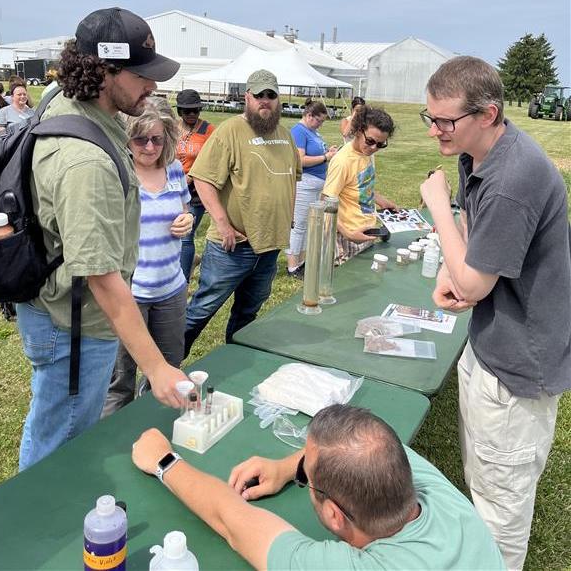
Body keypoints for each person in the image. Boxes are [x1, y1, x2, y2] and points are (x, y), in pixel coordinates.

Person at [16, 7, 187, 471]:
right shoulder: (85, 162)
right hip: (72, 324)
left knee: (56, 423)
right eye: (141, 74)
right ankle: (46, 528)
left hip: (61, 312)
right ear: (104, 69)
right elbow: (102, 279)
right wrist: (155, 367)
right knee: (63, 440)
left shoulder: (69, 104)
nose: (152, 86)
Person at [419, 56, 571, 570]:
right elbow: (473, 247)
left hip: (517, 366)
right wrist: (451, 274)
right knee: (483, 482)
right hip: (492, 346)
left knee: (499, 515)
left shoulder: (512, 178)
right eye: (430, 118)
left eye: (445, 121)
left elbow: (475, 281)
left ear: (487, 113)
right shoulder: (478, 153)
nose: (436, 130)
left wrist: (435, 204)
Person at [132, 404, 506, 570]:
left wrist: (164, 461)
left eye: (308, 475)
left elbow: (232, 519)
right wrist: (286, 467)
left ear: (333, 514)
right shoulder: (437, 493)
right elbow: (361, 443)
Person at [183, 70, 301, 357]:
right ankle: (162, 374)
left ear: (278, 99)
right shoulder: (229, 131)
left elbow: (291, 178)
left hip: (270, 246)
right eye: (258, 95)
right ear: (247, 97)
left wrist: (289, 214)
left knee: (248, 314)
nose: (265, 101)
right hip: (232, 248)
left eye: (271, 95)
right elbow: (203, 179)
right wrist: (223, 225)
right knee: (200, 311)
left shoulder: (285, 136)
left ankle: (233, 365)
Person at [101, 97, 193, 417]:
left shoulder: (175, 171)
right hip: (130, 295)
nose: (150, 147)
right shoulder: (118, 174)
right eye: (141, 139)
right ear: (127, 137)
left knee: (168, 370)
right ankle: (111, 441)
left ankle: (155, 428)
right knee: (120, 380)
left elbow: (184, 212)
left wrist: (187, 220)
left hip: (171, 290)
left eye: (157, 138)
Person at [323, 106, 398, 265]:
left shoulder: (366, 154)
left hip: (366, 231)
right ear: (358, 130)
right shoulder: (343, 161)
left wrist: (383, 202)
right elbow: (325, 202)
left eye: (380, 145)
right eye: (370, 141)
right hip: (347, 238)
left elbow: (361, 186)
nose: (373, 148)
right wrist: (348, 233)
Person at [285, 98, 339, 279]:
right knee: (298, 224)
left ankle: (301, 261)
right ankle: (292, 266)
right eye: (319, 120)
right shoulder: (299, 131)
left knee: (309, 225)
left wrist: (328, 152)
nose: (321, 124)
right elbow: (299, 160)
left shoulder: (312, 131)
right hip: (304, 184)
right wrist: (326, 157)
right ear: (309, 116)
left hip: (315, 184)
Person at [175, 88, 215, 282]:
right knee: (172, 234)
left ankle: (182, 281)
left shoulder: (208, 130)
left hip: (195, 191)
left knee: (186, 235)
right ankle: (189, 262)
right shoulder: (172, 128)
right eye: (186, 111)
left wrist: (191, 176)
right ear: (179, 111)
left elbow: (211, 158)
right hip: (172, 188)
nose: (191, 114)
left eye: (195, 110)